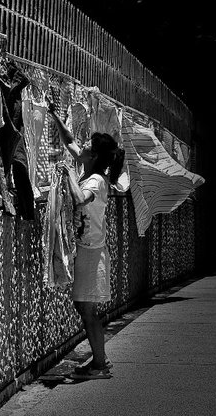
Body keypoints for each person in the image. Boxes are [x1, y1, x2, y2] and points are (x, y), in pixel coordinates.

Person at [47, 102, 125, 380]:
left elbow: (80, 201)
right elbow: (71, 143)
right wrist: (54, 115)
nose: (83, 147)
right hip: (90, 250)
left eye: (88, 146)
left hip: (92, 255)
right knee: (85, 307)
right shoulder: (91, 168)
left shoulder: (95, 181)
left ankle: (100, 365)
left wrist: (68, 174)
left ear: (94, 155)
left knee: (87, 309)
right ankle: (99, 360)